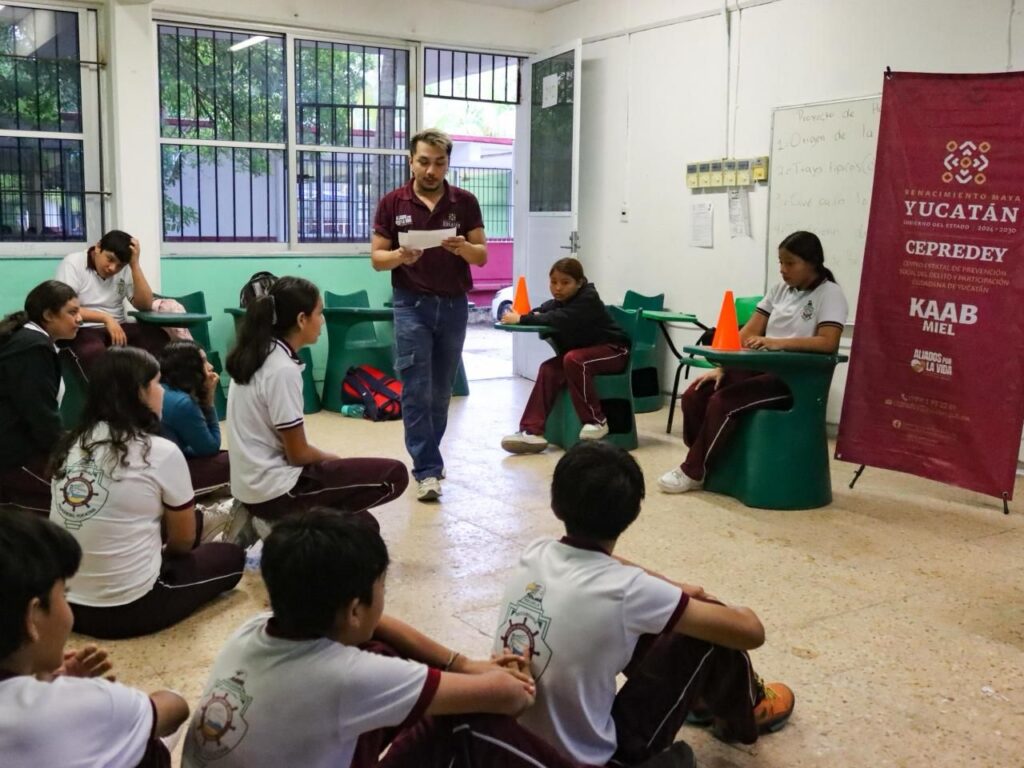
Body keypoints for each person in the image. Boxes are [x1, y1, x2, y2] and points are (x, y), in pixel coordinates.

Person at [492, 441, 795, 767]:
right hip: (594, 761)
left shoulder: (536, 551)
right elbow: (751, 632)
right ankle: (748, 711)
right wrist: (719, 606)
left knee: (656, 619)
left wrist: (673, 588)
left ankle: (701, 699)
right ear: (634, 513)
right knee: (705, 636)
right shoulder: (628, 592)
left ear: (555, 505)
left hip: (514, 749)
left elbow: (614, 567)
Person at [182, 509, 546, 768]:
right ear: (355, 609)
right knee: (466, 721)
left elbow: (379, 625)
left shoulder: (252, 630)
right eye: (382, 586)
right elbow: (512, 697)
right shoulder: (348, 677)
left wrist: (462, 664)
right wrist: (514, 675)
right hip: (348, 686)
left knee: (382, 650)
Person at [48, 346, 245, 639]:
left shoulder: (71, 443)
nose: (162, 391)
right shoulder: (159, 451)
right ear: (139, 392)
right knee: (230, 557)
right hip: (130, 608)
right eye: (156, 383)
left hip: (66, 606)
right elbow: (183, 541)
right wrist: (163, 555)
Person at [659, 230, 849, 493]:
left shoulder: (830, 294)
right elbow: (747, 334)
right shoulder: (778, 290)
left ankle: (693, 470)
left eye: (790, 263)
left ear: (812, 263)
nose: (782, 269)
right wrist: (722, 367)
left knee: (724, 402)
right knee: (695, 394)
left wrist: (778, 343)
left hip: (794, 381)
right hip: (760, 370)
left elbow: (828, 342)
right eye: (780, 262)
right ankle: (707, 461)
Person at [0, 509, 189, 767]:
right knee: (145, 746)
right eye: (64, 595)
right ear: (33, 617)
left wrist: (44, 684)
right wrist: (74, 694)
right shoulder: (84, 705)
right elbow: (175, 708)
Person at [224, 276, 408, 537]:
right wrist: (331, 459)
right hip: (276, 492)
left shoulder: (256, 353)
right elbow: (298, 454)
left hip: (250, 487)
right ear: (302, 319)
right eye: (319, 313)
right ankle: (285, 525)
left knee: (365, 527)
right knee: (395, 475)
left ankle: (294, 523)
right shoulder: (281, 369)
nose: (322, 321)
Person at [371, 128, 487, 503]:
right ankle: (427, 470)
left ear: (447, 163)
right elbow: (377, 259)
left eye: (439, 163)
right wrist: (400, 256)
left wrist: (463, 247)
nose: (431, 170)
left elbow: (481, 255)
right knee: (416, 389)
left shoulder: (464, 202)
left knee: (440, 393)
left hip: (453, 306)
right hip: (411, 306)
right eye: (423, 162)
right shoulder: (393, 203)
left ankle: (429, 458)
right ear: (411, 161)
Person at [500, 258, 630, 453]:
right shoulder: (560, 302)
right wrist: (529, 315)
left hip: (614, 351)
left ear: (579, 282)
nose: (558, 288)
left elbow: (560, 318)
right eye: (553, 282)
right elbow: (545, 311)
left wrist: (521, 319)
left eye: (565, 282)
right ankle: (531, 432)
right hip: (584, 356)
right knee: (549, 369)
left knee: (574, 359)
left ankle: (597, 421)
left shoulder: (588, 300)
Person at [0, 280, 81, 513]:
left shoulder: (27, 339)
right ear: (48, 315)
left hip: (18, 445)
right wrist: (65, 450)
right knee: (76, 495)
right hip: (12, 456)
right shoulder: (33, 347)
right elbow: (39, 412)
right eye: (72, 312)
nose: (80, 319)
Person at [55, 229, 167, 372]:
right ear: (98, 247)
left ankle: (150, 384)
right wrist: (106, 318)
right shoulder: (73, 263)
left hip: (118, 327)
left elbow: (145, 305)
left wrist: (135, 266)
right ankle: (112, 387)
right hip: (83, 327)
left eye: (120, 265)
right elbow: (65, 308)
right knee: (93, 351)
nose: (113, 268)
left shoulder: (126, 268)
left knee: (158, 338)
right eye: (110, 259)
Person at [158, 340, 229, 497]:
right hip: (166, 478)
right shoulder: (182, 403)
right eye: (203, 361)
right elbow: (211, 447)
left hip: (154, 467)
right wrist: (209, 399)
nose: (211, 366)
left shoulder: (163, 389)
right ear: (189, 368)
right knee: (234, 461)